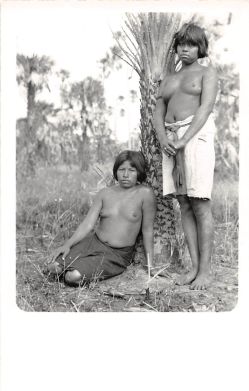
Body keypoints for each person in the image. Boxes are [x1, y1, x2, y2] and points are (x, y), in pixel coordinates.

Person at [153, 23, 218, 290]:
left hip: (195, 137)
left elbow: (205, 109)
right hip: (171, 140)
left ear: (200, 47)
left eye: (190, 44)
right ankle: (193, 268)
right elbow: (158, 110)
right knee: (184, 203)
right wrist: (163, 138)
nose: (185, 49)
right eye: (181, 44)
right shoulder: (168, 78)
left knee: (200, 202)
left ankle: (205, 272)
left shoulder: (207, 72)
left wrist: (183, 140)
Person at [46, 150, 165, 287]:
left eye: (132, 170)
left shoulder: (145, 194)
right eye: (121, 170)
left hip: (117, 254)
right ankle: (74, 266)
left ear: (139, 172)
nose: (125, 175)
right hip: (93, 242)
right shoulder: (105, 193)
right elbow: (87, 225)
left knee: (72, 277)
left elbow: (147, 230)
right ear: (116, 171)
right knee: (53, 267)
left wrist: (150, 264)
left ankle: (78, 269)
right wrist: (67, 244)